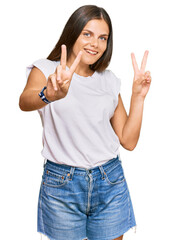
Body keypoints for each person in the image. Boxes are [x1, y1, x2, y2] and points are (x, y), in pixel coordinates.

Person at [19, 4, 151, 240]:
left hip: (109, 180)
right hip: (62, 184)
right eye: (87, 34)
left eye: (103, 38)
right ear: (73, 33)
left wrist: (138, 96)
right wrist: (48, 95)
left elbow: (128, 141)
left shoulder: (108, 81)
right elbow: (24, 101)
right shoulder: (47, 69)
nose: (95, 44)